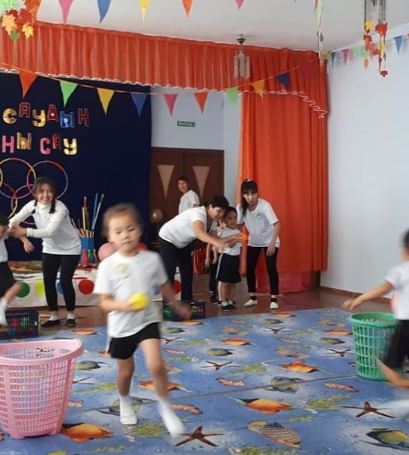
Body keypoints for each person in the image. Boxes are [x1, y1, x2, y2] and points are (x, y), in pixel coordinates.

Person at [93, 203, 190, 435]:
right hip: (121, 327)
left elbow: (163, 284)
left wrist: (176, 304)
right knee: (126, 372)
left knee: (157, 365)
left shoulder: (151, 259)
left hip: (147, 320)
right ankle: (125, 400)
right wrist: (123, 305)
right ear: (110, 237)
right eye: (118, 231)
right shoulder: (107, 266)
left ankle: (165, 407)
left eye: (130, 229)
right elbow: (104, 302)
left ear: (139, 230)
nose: (125, 235)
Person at [9, 176, 81, 328]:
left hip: (70, 249)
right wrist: (24, 240)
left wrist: (25, 231)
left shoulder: (61, 209)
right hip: (50, 248)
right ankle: (54, 316)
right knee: (48, 281)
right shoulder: (32, 205)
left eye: (49, 191)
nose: (45, 195)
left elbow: (49, 232)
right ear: (35, 193)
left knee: (65, 281)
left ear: (54, 193)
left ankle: (70, 315)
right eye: (41, 191)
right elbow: (12, 223)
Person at [343, 229, 409, 389]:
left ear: (405, 250)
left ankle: (401, 382)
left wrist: (359, 299)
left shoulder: (401, 271)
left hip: (407, 325)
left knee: (387, 365)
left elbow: (382, 289)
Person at [158, 195, 229, 304]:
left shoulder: (214, 221)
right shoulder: (199, 213)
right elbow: (199, 233)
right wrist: (216, 242)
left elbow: (214, 239)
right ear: (210, 207)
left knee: (187, 272)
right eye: (218, 211)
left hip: (182, 243)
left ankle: (187, 301)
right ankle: (167, 305)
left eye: (223, 212)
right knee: (169, 273)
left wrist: (232, 238)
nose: (221, 215)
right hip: (168, 238)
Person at [237, 179, 281, 310]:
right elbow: (239, 225)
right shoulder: (241, 207)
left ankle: (274, 298)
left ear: (257, 193)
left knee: (271, 268)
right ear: (243, 195)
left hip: (270, 240)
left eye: (253, 193)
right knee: (250, 268)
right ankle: (252, 297)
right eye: (247, 194)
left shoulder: (264, 205)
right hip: (254, 241)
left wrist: (272, 243)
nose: (250, 197)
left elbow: (277, 224)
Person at [0, 214, 31, 325]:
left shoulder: (4, 232)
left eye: (4, 231)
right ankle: (1, 307)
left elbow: (13, 230)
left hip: (3, 266)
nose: (2, 234)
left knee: (15, 287)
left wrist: (25, 241)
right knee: (16, 286)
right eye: (1, 231)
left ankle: (2, 307)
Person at [215, 207, 242, 310]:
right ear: (224, 220)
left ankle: (230, 300)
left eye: (235, 218)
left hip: (235, 258)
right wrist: (235, 240)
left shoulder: (238, 232)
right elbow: (229, 245)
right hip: (226, 258)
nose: (233, 220)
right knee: (225, 281)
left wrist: (240, 261)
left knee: (233, 282)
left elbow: (240, 248)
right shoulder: (223, 231)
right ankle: (223, 301)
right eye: (230, 218)